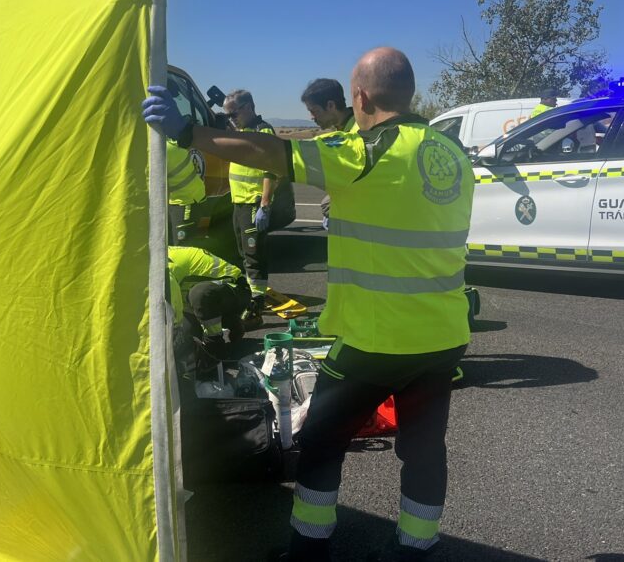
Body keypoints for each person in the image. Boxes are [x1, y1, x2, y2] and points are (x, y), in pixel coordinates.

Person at [144, 47, 474, 561]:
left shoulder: (366, 151)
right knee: (424, 449)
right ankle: (416, 547)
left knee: (320, 442)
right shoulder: (449, 152)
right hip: (443, 337)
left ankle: (309, 548)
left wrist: (189, 134)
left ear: (360, 96)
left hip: (375, 338)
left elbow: (272, 153)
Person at [223, 89, 276, 328]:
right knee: (243, 254)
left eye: (234, 113)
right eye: (228, 115)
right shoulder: (241, 131)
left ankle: (256, 308)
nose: (231, 119)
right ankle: (251, 299)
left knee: (254, 256)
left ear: (248, 108)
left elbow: (271, 170)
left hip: (254, 203)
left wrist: (265, 203)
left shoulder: (263, 131)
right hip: (238, 203)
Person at [168, 245, 251, 373]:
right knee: (185, 340)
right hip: (205, 301)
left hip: (236, 290)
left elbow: (172, 305)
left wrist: (174, 331)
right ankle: (230, 320)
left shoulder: (164, 267)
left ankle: (216, 345)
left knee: (199, 293)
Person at [301, 78, 354, 229]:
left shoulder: (359, 132)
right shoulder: (343, 129)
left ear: (331, 105)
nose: (312, 117)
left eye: (314, 111)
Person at [166, 139, 207, 244]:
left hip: (186, 201)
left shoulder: (162, 150)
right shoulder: (167, 143)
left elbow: (158, 186)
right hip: (183, 199)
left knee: (182, 248)